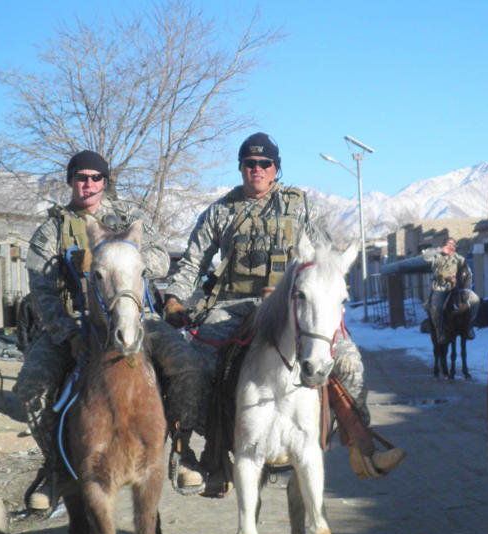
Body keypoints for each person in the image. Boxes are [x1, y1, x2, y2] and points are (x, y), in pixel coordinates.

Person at [163, 132, 405, 491]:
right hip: (233, 307)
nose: (256, 170)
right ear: (241, 167)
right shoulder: (220, 212)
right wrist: (174, 297)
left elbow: (325, 258)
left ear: (276, 169)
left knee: (348, 359)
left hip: (295, 308)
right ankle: (205, 456)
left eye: (264, 164)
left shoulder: (300, 206)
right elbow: (192, 262)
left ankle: (360, 445)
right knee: (195, 365)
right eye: (249, 163)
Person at [15, 150, 209, 511]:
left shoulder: (129, 217)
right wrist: (67, 334)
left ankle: (182, 451)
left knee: (189, 365)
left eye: (95, 177)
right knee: (32, 383)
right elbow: (40, 290)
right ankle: (55, 469)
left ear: (105, 181)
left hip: (133, 314)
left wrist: (122, 254)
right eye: (81, 177)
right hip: (73, 322)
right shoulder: (51, 231)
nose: (88, 184)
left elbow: (161, 258)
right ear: (71, 180)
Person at [421, 238, 477, 341]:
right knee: (436, 307)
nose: (451, 247)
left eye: (453, 245)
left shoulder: (459, 259)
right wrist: (439, 250)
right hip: (441, 287)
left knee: (475, 301)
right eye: (448, 245)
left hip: (458, 287)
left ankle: (469, 327)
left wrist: (463, 282)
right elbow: (425, 256)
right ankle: (440, 332)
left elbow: (468, 273)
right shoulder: (437, 258)